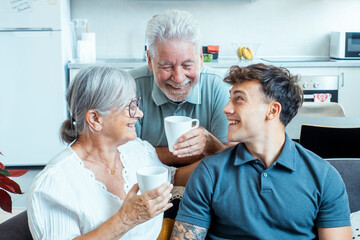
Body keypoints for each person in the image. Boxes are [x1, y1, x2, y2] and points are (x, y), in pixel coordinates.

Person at [171, 63, 352, 239]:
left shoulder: (324, 177)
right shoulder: (209, 172)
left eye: (239, 99)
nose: (226, 108)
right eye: (230, 98)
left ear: (272, 110)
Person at [27, 66, 198, 240]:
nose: (139, 113)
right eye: (129, 106)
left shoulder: (135, 150)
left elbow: (172, 178)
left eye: (136, 103)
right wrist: (125, 219)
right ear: (95, 119)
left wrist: (218, 152)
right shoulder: (55, 183)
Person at [129, 9, 233, 166]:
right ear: (150, 60)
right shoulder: (130, 86)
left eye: (187, 65)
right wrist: (201, 154)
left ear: (200, 58)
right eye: (166, 66)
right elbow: (122, 155)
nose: (178, 78)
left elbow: (232, 157)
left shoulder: (217, 86)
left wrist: (210, 143)